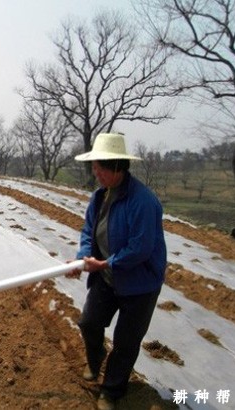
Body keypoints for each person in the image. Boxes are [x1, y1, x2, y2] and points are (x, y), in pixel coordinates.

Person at [65, 133, 167, 410]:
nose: (95, 172)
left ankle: (111, 390)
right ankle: (96, 358)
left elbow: (141, 248)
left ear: (118, 167)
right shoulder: (99, 197)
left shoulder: (143, 202)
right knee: (89, 322)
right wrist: (82, 259)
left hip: (140, 283)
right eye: (94, 166)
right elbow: (89, 232)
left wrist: (107, 263)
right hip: (107, 277)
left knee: (126, 341)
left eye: (100, 167)